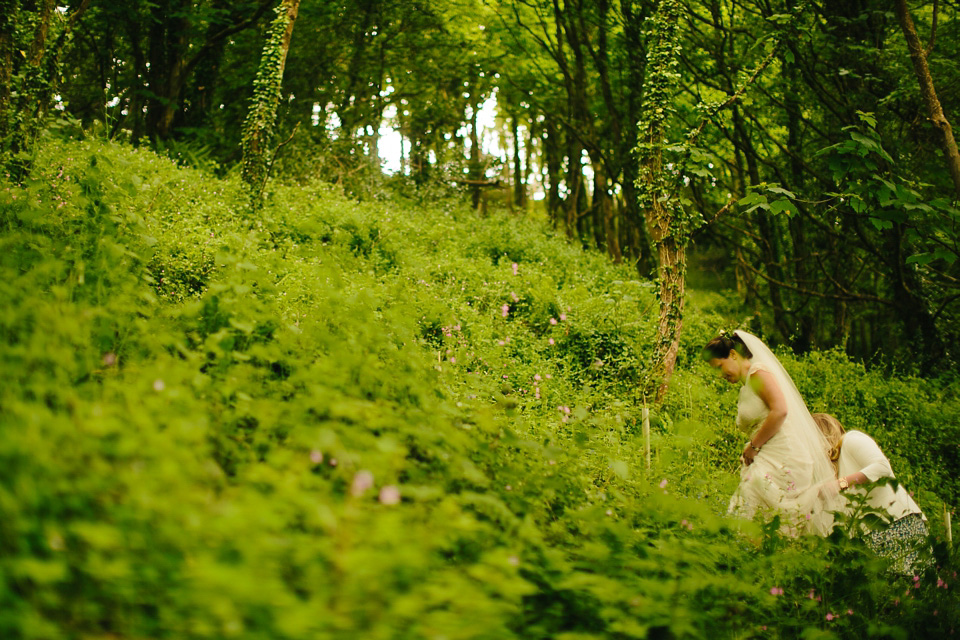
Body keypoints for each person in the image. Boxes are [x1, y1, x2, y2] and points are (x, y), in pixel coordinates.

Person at [703, 330, 842, 536]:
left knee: (750, 509)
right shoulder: (746, 388)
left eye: (720, 367)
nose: (720, 375)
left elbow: (780, 410)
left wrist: (754, 446)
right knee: (753, 513)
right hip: (768, 455)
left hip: (785, 456)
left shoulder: (758, 372)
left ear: (733, 355)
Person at [812, 413, 930, 575]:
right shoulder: (834, 469)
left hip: (897, 523)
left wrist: (840, 484)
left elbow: (882, 467)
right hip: (871, 538)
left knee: (916, 587)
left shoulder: (850, 440)